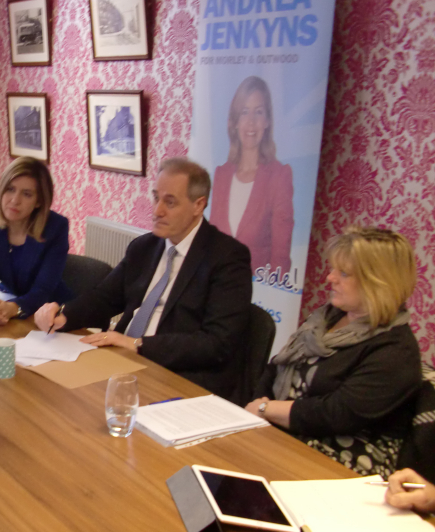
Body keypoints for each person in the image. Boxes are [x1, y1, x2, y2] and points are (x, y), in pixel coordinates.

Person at [34, 158, 252, 398]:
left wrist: (138, 344)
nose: (157, 211)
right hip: (123, 362)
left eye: (170, 202)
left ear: (198, 205)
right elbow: (105, 298)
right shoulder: (144, 247)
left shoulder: (227, 258)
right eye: (156, 197)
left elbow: (216, 343)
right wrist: (64, 314)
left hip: (178, 377)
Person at [246, 227, 421, 477]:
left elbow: (336, 414)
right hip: (283, 434)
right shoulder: (326, 317)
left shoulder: (396, 352)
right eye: (334, 269)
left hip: (342, 462)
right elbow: (277, 367)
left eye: (344, 273)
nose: (330, 277)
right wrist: (258, 409)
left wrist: (265, 409)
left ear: (378, 282)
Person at [209, 76, 294, 274]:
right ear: (235, 122)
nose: (251, 122)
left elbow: (280, 256)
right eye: (244, 112)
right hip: (216, 284)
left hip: (257, 288)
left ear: (267, 121)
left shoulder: (279, 177)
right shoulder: (221, 175)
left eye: (259, 112)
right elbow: (211, 243)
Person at [0, 156, 71, 325]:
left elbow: (43, 289)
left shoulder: (56, 227)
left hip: (51, 314)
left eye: (26, 194)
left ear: (39, 201)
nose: (15, 200)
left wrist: (14, 308)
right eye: (10, 189)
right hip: (10, 308)